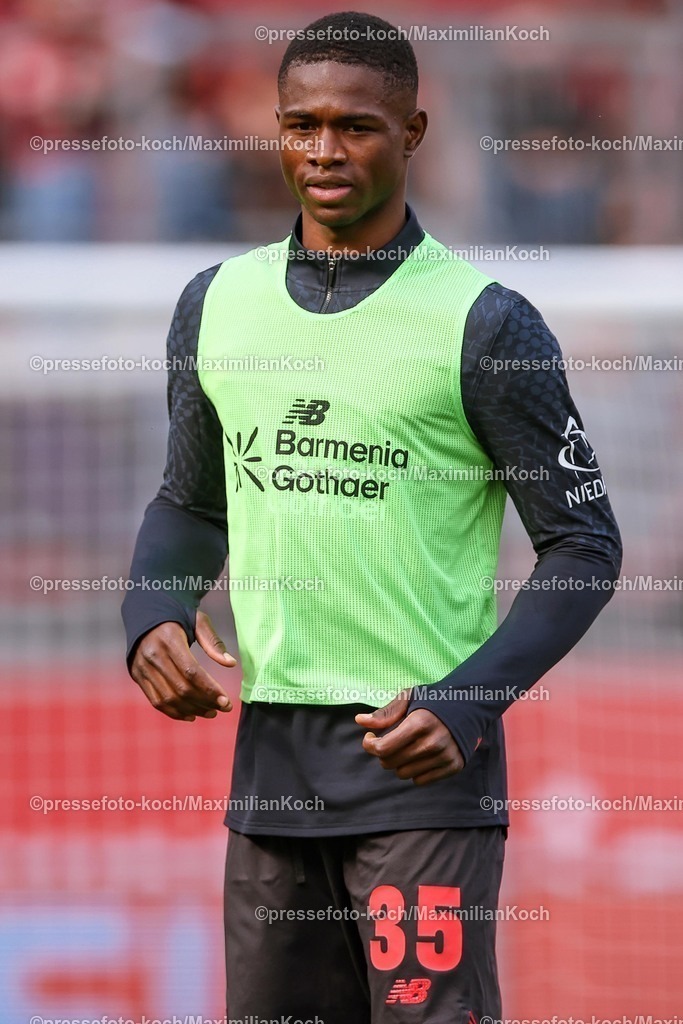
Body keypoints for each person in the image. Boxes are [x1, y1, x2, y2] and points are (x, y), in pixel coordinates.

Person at [122, 11, 622, 1022]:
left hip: (418, 760)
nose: (322, 149)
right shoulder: (215, 302)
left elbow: (583, 545)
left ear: (414, 132)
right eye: (300, 124)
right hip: (271, 759)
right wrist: (150, 611)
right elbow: (188, 501)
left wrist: (469, 701)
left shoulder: (485, 322)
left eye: (354, 126)